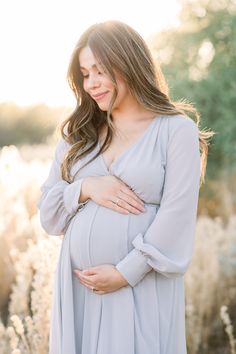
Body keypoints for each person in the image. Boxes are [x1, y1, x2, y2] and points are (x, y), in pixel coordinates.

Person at [37, 20, 213, 354]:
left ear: (129, 63)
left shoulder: (175, 131)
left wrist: (124, 272)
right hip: (78, 291)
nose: (91, 84)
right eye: (85, 74)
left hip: (140, 286)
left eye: (100, 71)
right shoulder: (77, 135)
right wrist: (86, 187)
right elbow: (49, 214)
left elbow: (177, 217)